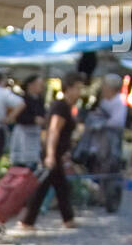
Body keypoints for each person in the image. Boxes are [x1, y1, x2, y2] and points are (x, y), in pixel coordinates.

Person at [21, 72, 84, 231]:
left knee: (59, 187)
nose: (79, 92)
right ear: (68, 89)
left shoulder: (67, 107)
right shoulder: (60, 106)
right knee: (44, 187)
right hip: (51, 153)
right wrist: (50, 154)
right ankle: (28, 220)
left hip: (57, 153)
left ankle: (66, 218)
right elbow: (54, 131)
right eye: (77, 88)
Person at [9, 73, 45, 168]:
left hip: (35, 132)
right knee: (22, 160)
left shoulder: (40, 100)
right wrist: (33, 119)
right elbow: (18, 117)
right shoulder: (22, 99)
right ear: (30, 85)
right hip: (23, 132)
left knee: (33, 160)